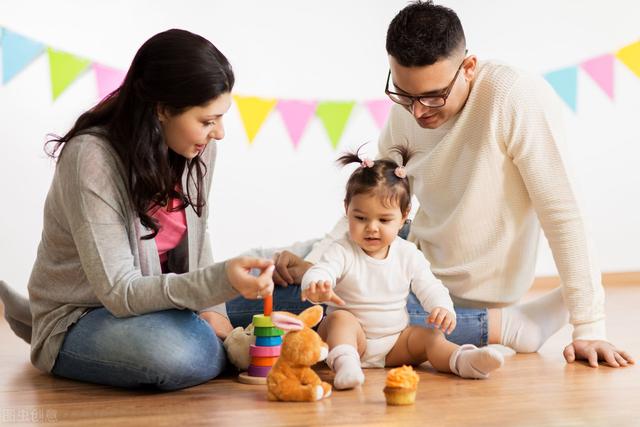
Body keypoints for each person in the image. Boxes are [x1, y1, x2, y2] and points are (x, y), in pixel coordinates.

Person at [269, 1, 634, 368]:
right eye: (404, 94)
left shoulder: (514, 96)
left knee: (292, 307)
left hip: (459, 286)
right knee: (284, 262)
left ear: (469, 68)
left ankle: (504, 325)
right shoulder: (409, 108)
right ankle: (239, 281)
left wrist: (589, 326)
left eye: (433, 96)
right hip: (412, 249)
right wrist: (314, 263)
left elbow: (562, 211)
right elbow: (372, 199)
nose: (418, 112)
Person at [0, 29, 276, 391]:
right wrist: (219, 286)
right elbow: (119, 292)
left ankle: (224, 339)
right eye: (208, 121)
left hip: (165, 303)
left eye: (221, 118)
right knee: (180, 353)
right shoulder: (91, 158)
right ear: (162, 109)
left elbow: (198, 239)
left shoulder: (198, 148)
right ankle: (41, 327)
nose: (220, 133)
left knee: (304, 295)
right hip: (87, 314)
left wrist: (214, 310)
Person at [301, 146, 504, 390]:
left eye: (384, 220)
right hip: (354, 339)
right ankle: (346, 364)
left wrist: (441, 307)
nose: (372, 228)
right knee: (339, 320)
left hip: (395, 342)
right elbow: (321, 270)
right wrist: (315, 285)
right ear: (347, 211)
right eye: (361, 218)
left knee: (429, 337)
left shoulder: (407, 254)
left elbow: (428, 284)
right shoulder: (342, 249)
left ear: (404, 216)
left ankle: (462, 360)